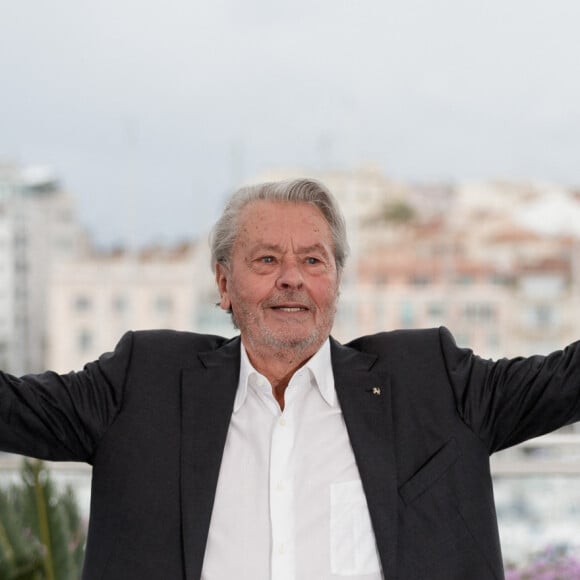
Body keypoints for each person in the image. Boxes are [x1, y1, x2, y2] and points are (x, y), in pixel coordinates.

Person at [1, 178, 580, 580]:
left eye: (312, 260)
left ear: (335, 280)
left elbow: (566, 379)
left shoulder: (430, 379)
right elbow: (13, 408)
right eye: (265, 260)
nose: (291, 280)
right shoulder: (143, 382)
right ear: (223, 284)